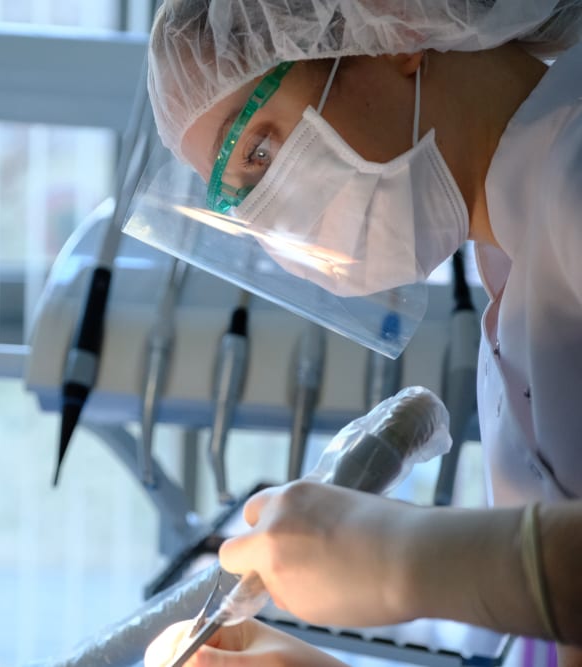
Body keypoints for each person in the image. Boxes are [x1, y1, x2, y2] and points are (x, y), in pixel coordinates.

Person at [139, 1, 582, 665]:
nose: (274, 223)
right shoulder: (518, 267)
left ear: (391, 31)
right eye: (237, 198)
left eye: (258, 149)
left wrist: (403, 560)